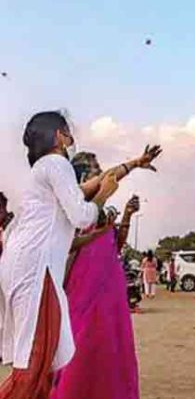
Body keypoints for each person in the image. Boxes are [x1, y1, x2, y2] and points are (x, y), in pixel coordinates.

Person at [0, 111, 120, 397]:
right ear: (58, 136)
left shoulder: (43, 169)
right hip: (36, 270)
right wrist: (103, 197)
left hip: (26, 267)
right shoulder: (57, 163)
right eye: (68, 132)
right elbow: (80, 214)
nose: (71, 139)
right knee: (35, 361)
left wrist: (131, 166)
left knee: (44, 360)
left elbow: (79, 193)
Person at [53, 148, 158, 399]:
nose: (101, 175)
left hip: (110, 292)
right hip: (81, 293)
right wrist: (134, 163)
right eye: (95, 171)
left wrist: (128, 216)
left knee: (112, 349)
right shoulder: (69, 212)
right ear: (81, 180)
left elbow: (115, 246)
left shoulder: (102, 213)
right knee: (81, 350)